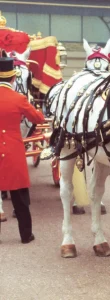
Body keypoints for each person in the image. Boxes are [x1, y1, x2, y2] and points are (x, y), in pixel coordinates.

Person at [0, 50, 45, 243]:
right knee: (20, 198)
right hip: (13, 151)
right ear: (12, 78)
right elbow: (38, 118)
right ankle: (26, 235)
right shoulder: (19, 99)